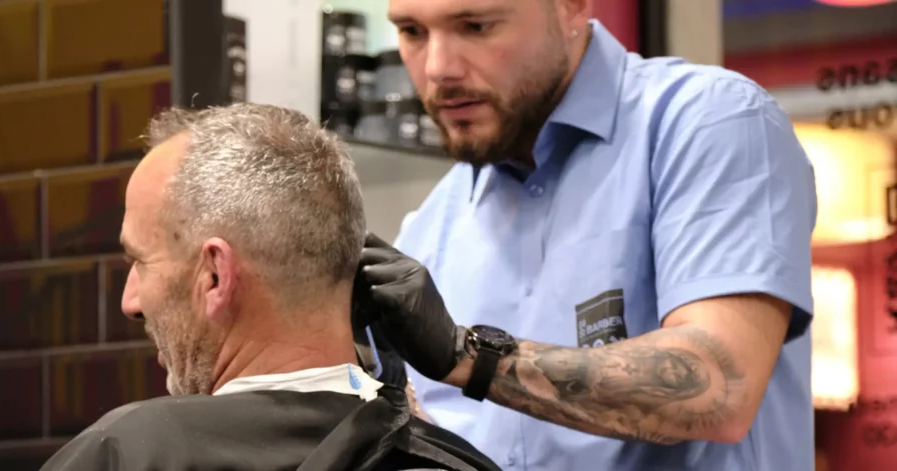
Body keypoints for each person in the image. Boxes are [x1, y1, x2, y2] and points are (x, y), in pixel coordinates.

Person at [354, 0, 817, 470]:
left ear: (572, 7)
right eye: (412, 32)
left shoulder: (710, 122)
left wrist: (469, 356)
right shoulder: (431, 226)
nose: (439, 69)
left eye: (476, 26)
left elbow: (720, 384)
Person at [40, 103, 500, 471]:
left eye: (140, 262)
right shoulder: (452, 461)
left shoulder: (129, 454)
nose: (131, 302)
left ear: (215, 275)